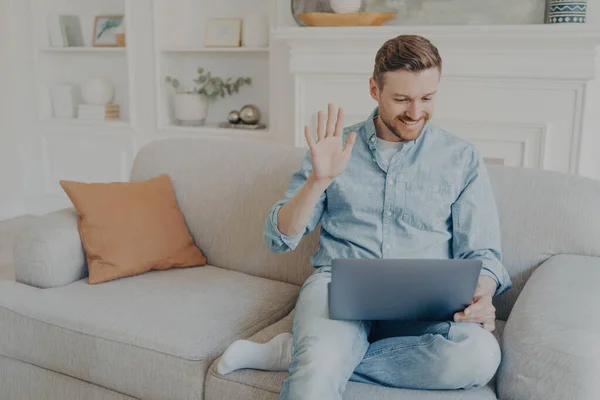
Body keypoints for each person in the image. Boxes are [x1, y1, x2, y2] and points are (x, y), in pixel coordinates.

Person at [216, 34, 513, 400]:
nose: (416, 112)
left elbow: (484, 258)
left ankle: (299, 353)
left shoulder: (461, 158)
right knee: (316, 377)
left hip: (427, 301)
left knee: (480, 355)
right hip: (340, 285)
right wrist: (317, 181)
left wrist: (480, 295)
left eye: (427, 98)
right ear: (374, 89)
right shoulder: (334, 148)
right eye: (402, 99)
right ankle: (317, 357)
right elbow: (279, 238)